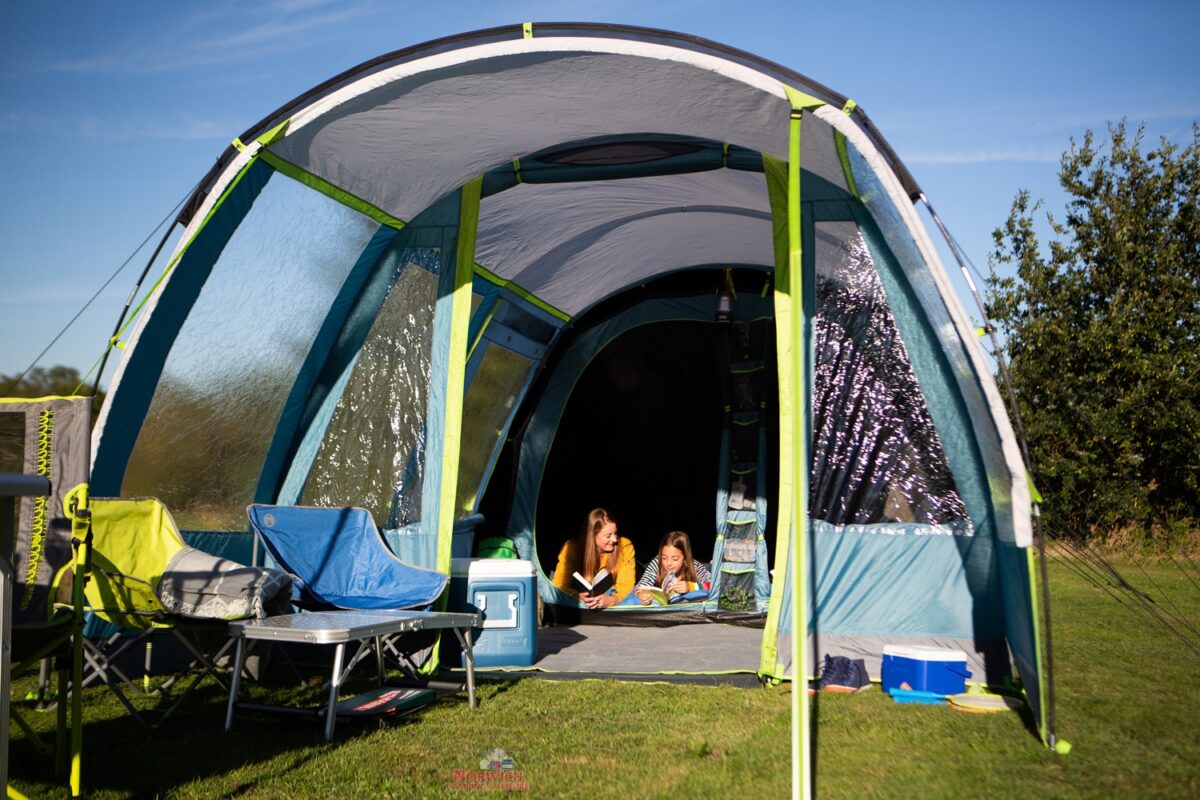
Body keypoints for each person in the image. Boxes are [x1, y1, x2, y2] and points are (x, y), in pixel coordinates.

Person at [551, 507, 636, 609]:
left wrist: (614, 600)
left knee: (634, 599)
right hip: (583, 593)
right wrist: (575, 596)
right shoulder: (572, 548)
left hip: (612, 593)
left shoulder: (624, 546)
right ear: (592, 536)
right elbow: (559, 584)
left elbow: (626, 585)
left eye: (615, 533)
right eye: (608, 536)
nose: (614, 539)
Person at [634, 530, 711, 605]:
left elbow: (712, 586)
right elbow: (640, 586)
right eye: (664, 558)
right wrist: (642, 595)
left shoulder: (694, 566)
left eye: (675, 559)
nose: (669, 563)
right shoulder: (657, 562)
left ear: (685, 558)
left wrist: (690, 587)